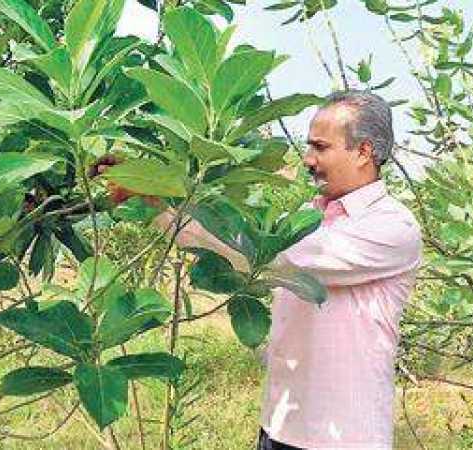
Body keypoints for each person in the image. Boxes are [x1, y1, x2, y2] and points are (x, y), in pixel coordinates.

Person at [109, 90, 423, 449]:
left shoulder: (393, 227)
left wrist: (164, 197)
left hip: (344, 437)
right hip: (279, 426)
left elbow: (275, 256)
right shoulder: (305, 216)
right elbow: (241, 249)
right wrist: (149, 199)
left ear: (364, 152)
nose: (308, 159)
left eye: (320, 147)